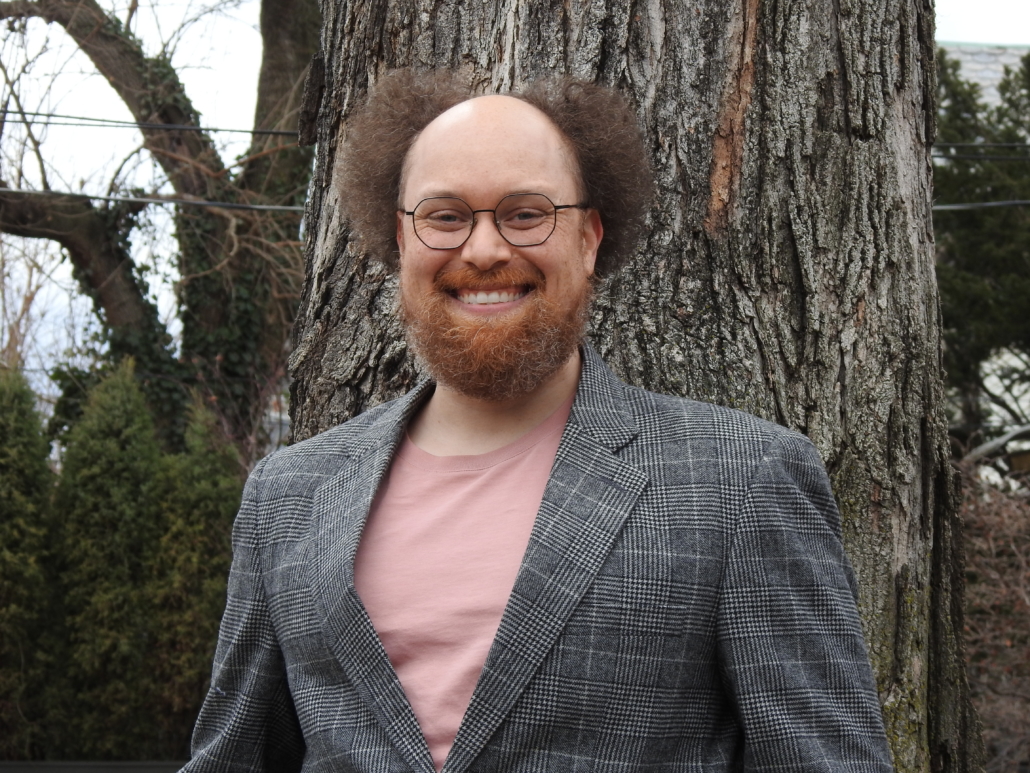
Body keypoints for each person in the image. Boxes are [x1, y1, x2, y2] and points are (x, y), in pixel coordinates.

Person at [182, 69, 894, 773]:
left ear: (588, 238)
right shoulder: (288, 495)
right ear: (400, 240)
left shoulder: (744, 482)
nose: (485, 249)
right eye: (446, 215)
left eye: (525, 213)